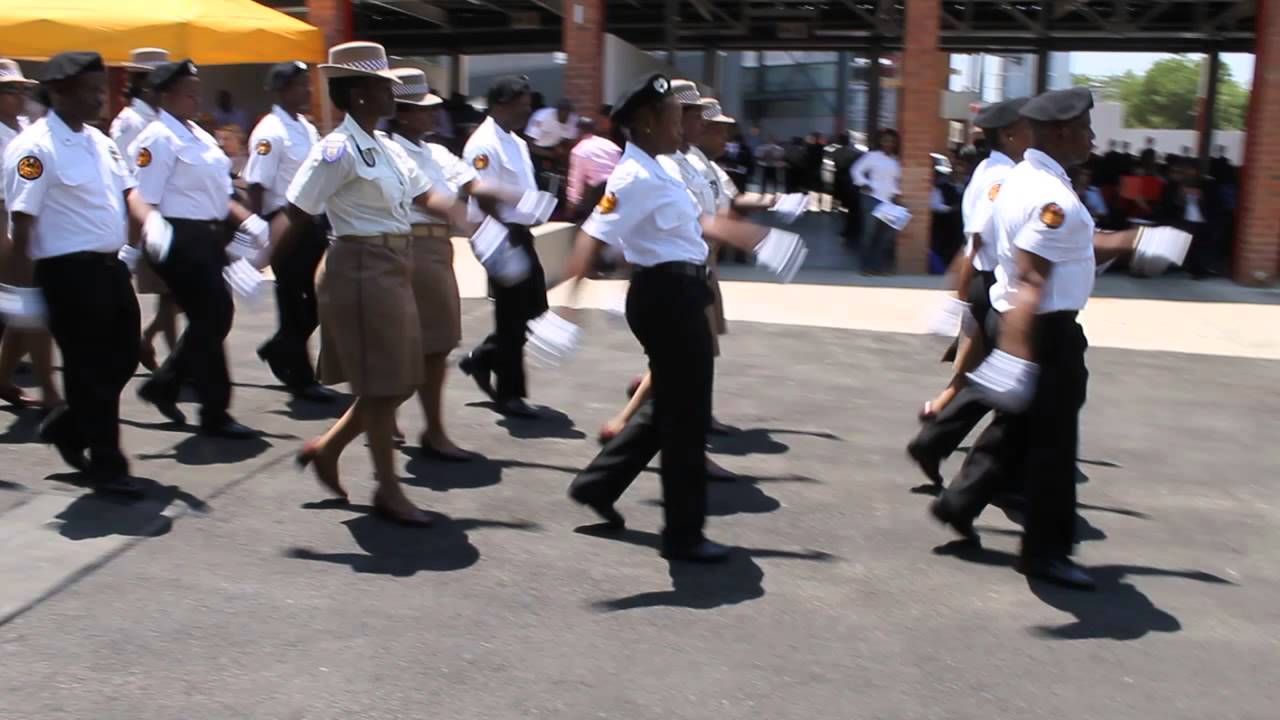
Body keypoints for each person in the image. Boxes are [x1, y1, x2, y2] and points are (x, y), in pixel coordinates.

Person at [930, 87, 1188, 589]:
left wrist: (1137, 240)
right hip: (1044, 333)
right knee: (1052, 448)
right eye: (1087, 129)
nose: (1093, 138)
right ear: (1064, 131)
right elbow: (1032, 277)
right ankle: (1045, 553)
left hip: (1029, 327)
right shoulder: (1053, 197)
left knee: (1017, 430)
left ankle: (959, 503)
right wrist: (1018, 356)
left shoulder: (1027, 180)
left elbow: (1073, 244)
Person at [562, 73, 806, 562]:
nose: (683, 125)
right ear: (648, 121)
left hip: (682, 291)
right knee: (687, 419)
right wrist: (566, 310)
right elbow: (592, 234)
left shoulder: (664, 168)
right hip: (665, 296)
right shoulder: (632, 174)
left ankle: (598, 484)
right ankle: (683, 534)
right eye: (675, 117)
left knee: (667, 408)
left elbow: (700, 221)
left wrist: (756, 239)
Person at [282, 42, 468, 525]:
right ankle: (387, 489)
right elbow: (298, 211)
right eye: (384, 85)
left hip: (393, 264)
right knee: (388, 381)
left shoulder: (382, 147)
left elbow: (427, 195)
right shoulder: (337, 148)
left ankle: (328, 448)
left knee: (400, 378)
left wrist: (482, 217)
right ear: (360, 92)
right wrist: (251, 257)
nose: (393, 92)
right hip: (360, 265)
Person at [2, 52, 144, 497]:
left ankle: (68, 424)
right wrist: (21, 298)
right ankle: (108, 466)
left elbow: (124, 194)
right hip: (66, 274)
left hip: (109, 267)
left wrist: (140, 246)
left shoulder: (99, 141)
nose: (99, 99)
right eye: (90, 90)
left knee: (124, 357)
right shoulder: (35, 148)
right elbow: (21, 226)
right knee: (88, 371)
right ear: (59, 91)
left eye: (102, 89)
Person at [126, 59, 266, 438]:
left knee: (213, 316)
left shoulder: (199, 135)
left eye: (196, 90)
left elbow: (221, 193)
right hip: (176, 236)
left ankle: (193, 397)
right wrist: (141, 242)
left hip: (208, 235)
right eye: (189, 92)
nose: (196, 98)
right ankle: (195, 399)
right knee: (214, 315)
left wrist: (248, 221)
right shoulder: (157, 138)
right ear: (166, 95)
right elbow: (144, 197)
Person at [383, 66, 506, 460]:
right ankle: (390, 420)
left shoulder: (434, 151)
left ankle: (430, 429)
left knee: (436, 346)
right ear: (402, 113)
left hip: (436, 251)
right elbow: (429, 201)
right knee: (407, 346)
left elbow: (473, 183)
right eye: (423, 109)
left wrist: (519, 196)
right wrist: (472, 222)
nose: (433, 115)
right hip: (411, 247)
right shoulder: (389, 149)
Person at [907, 98, 1031, 486]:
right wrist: (960, 299)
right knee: (1006, 379)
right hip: (994, 284)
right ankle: (954, 454)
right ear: (1010, 134)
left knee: (990, 376)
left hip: (989, 283)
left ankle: (939, 435)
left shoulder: (995, 169)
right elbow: (976, 240)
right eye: (1029, 126)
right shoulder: (1002, 177)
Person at [241, 61, 338, 402]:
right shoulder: (271, 130)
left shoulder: (306, 128)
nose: (308, 91)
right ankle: (300, 377)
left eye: (307, 85)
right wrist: (258, 231)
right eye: (300, 86)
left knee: (315, 302)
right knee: (295, 301)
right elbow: (256, 184)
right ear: (282, 89)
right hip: (285, 224)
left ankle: (280, 347)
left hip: (312, 223)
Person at [458, 75, 547, 418]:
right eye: (522, 104)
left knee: (534, 307)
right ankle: (510, 393)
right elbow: (480, 192)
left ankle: (483, 358)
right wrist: (503, 238)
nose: (528, 110)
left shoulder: (517, 141)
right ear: (501, 103)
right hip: (497, 233)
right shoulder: (484, 143)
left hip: (519, 231)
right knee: (512, 315)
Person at [111, 48, 177, 375]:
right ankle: (173, 359)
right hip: (143, 217)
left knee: (174, 292)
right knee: (172, 290)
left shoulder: (160, 117)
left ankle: (153, 343)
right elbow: (125, 178)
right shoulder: (129, 122)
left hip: (169, 214)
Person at [0, 58, 55, 410]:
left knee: (20, 312)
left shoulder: (21, 128)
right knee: (30, 311)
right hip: (6, 228)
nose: (21, 96)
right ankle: (50, 391)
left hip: (26, 227)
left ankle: (3, 378)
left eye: (23, 89)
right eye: (12, 90)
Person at [849, 128, 902, 274]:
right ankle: (865, 267)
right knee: (869, 235)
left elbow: (896, 181)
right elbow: (855, 170)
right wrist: (864, 183)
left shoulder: (896, 160)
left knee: (884, 237)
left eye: (892, 141)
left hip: (889, 202)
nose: (889, 143)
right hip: (872, 199)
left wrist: (897, 194)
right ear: (880, 141)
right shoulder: (872, 156)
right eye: (886, 140)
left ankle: (877, 267)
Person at [565, 114, 621, 220]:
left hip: (600, 194)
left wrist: (571, 205)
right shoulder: (611, 145)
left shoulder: (579, 150)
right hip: (619, 187)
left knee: (594, 225)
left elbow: (576, 181)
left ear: (578, 131)